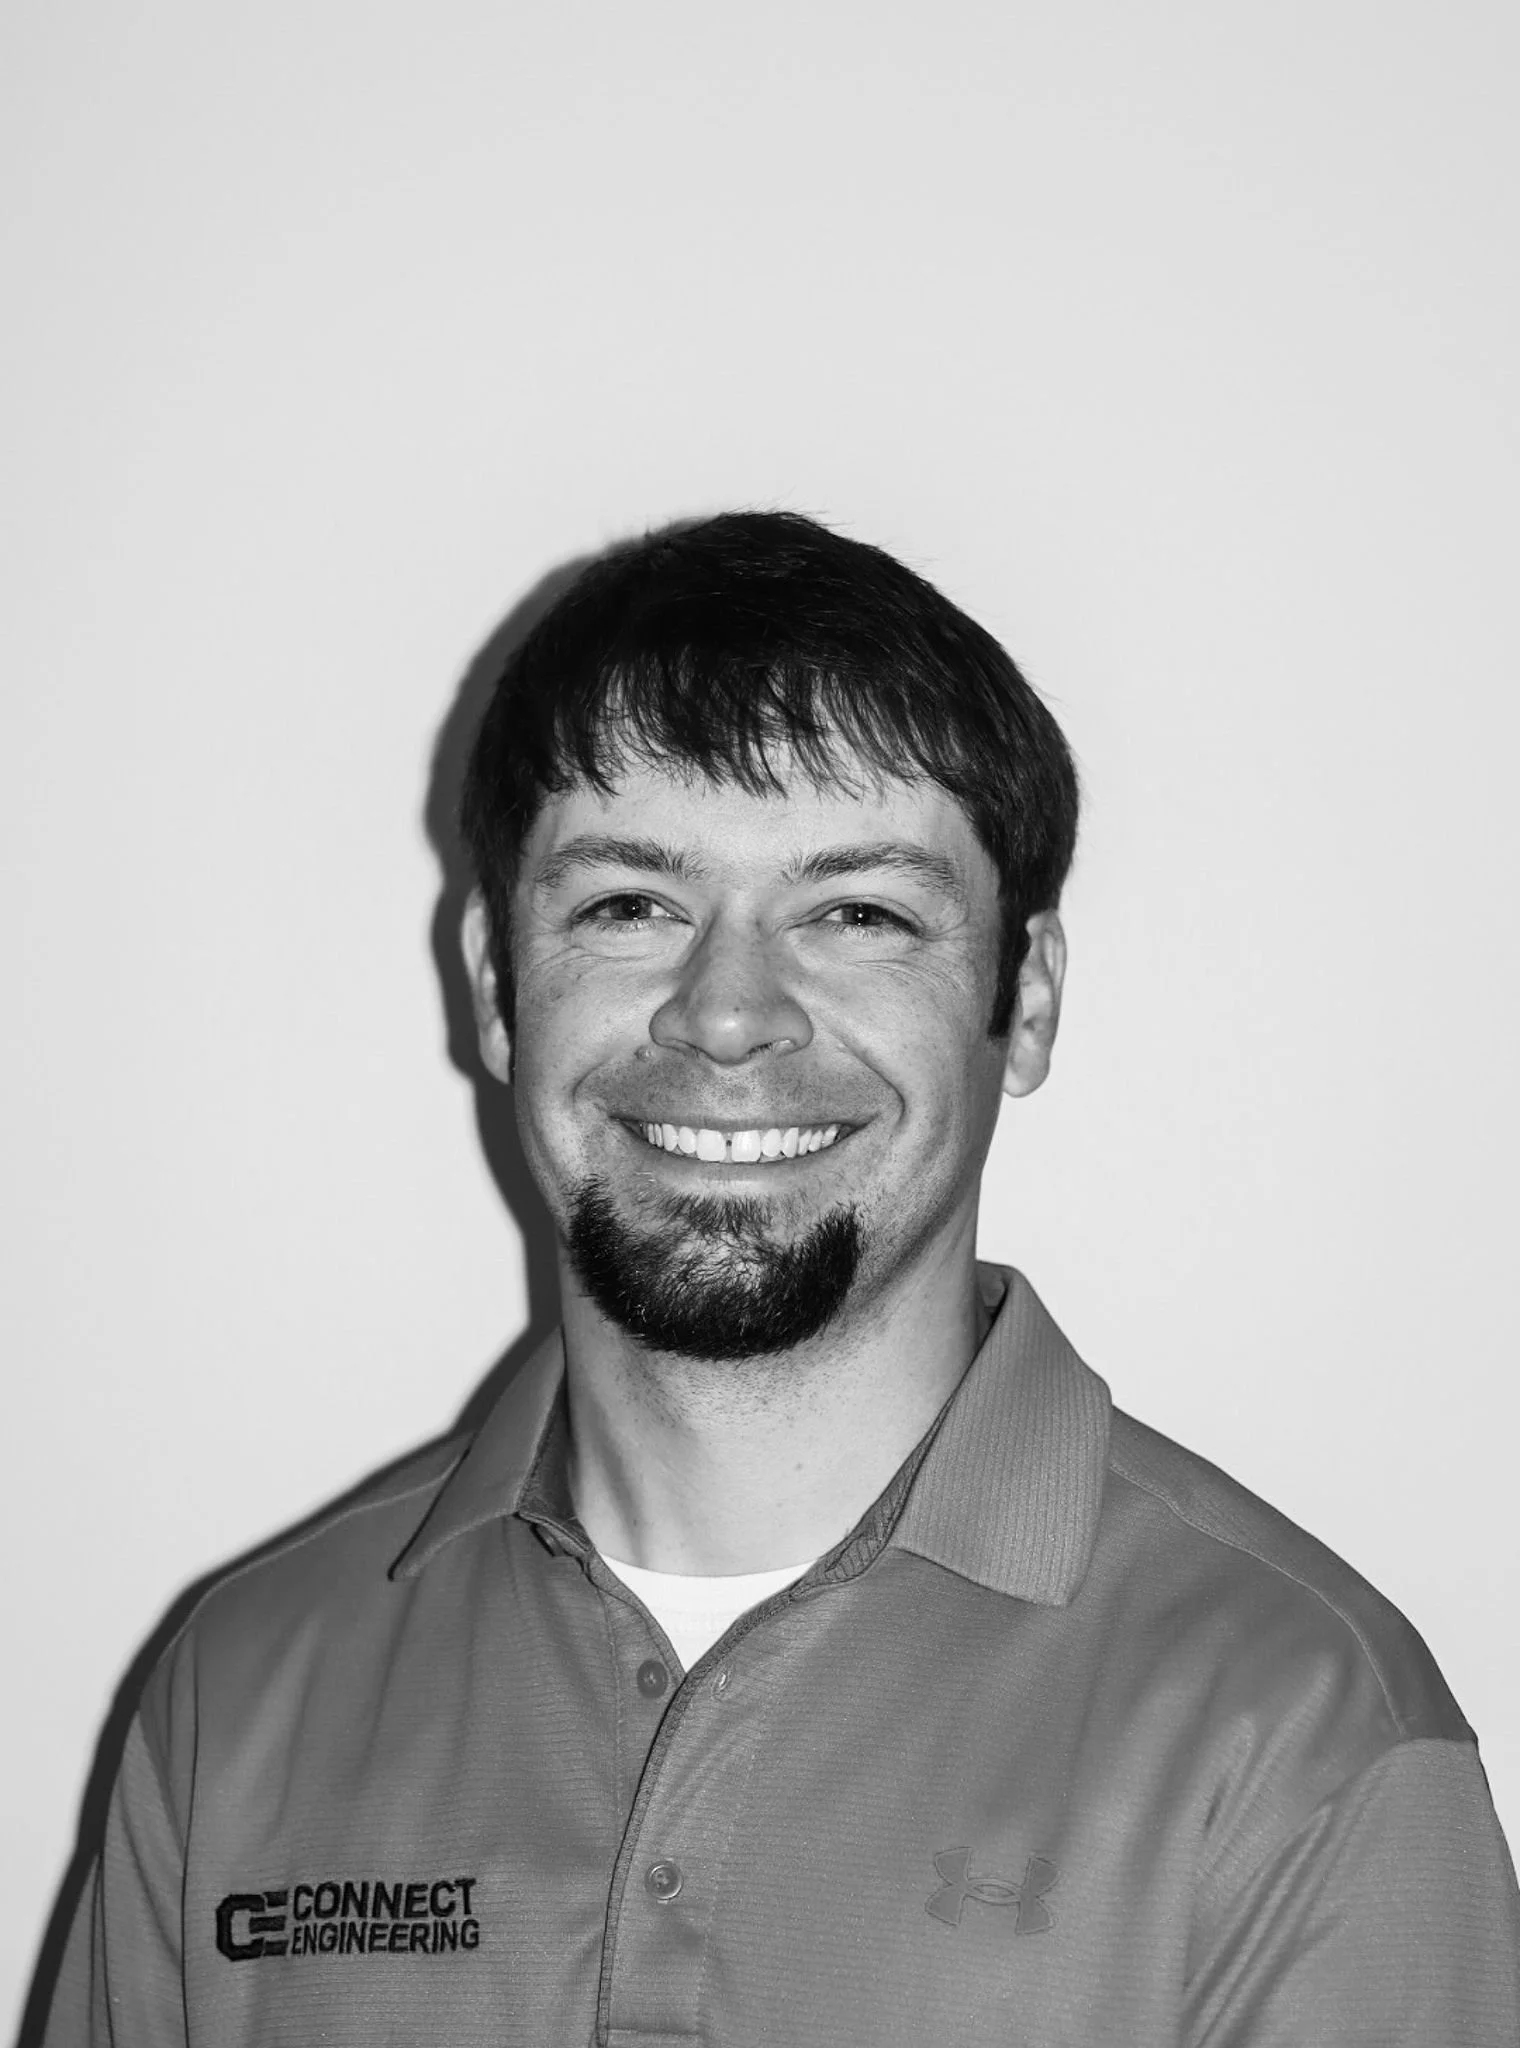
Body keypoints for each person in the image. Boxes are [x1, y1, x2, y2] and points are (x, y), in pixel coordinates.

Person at [43, 512, 1520, 2046]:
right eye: (632, 905)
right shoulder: (243, 1694)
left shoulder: (1304, 1735)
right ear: (493, 984)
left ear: (1025, 1002)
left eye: (857, 914)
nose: (730, 1013)